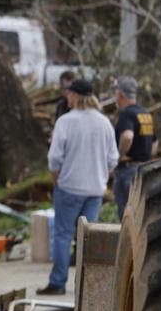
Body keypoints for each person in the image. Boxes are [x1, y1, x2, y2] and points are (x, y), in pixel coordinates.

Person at [35, 80, 118, 295]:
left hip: (69, 187)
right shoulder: (104, 122)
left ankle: (58, 282)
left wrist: (57, 178)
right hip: (95, 190)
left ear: (74, 96)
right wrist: (101, 175)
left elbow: (54, 158)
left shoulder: (65, 121)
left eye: (69, 94)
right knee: (89, 237)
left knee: (63, 235)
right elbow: (113, 159)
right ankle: (88, 285)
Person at [111, 76, 156, 220]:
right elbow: (154, 143)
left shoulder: (127, 114)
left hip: (127, 171)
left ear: (120, 94)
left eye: (115, 92)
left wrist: (118, 156)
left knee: (126, 218)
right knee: (140, 217)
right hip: (144, 169)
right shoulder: (145, 113)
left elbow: (127, 136)